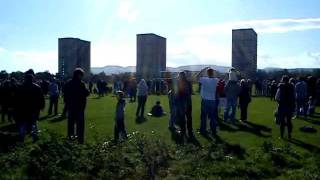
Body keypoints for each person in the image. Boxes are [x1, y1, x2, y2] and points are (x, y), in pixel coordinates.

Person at [15, 69, 45, 142]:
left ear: (25, 79)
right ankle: (35, 136)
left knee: (23, 122)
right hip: (34, 108)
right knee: (33, 122)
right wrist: (41, 106)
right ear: (32, 79)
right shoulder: (37, 87)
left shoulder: (21, 87)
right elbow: (41, 98)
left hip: (23, 108)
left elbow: (17, 99)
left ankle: (21, 137)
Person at [64, 68, 89, 143]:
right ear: (79, 75)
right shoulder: (81, 83)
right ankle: (80, 140)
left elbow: (65, 93)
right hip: (79, 107)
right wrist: (87, 91)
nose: (82, 77)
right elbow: (86, 93)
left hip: (70, 106)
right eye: (81, 75)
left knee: (71, 124)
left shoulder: (68, 83)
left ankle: (70, 138)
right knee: (80, 125)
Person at [197, 67, 219, 136]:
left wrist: (202, 70)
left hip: (205, 100)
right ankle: (213, 131)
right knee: (212, 117)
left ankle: (203, 130)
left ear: (207, 73)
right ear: (212, 73)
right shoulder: (216, 80)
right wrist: (215, 71)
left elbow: (197, 77)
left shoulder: (204, 79)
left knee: (204, 116)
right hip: (212, 100)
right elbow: (220, 76)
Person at [176, 71, 194, 139]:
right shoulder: (189, 82)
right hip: (188, 102)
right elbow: (191, 91)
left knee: (182, 117)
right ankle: (190, 132)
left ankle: (183, 131)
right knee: (189, 117)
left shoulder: (178, 83)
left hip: (182, 102)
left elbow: (177, 93)